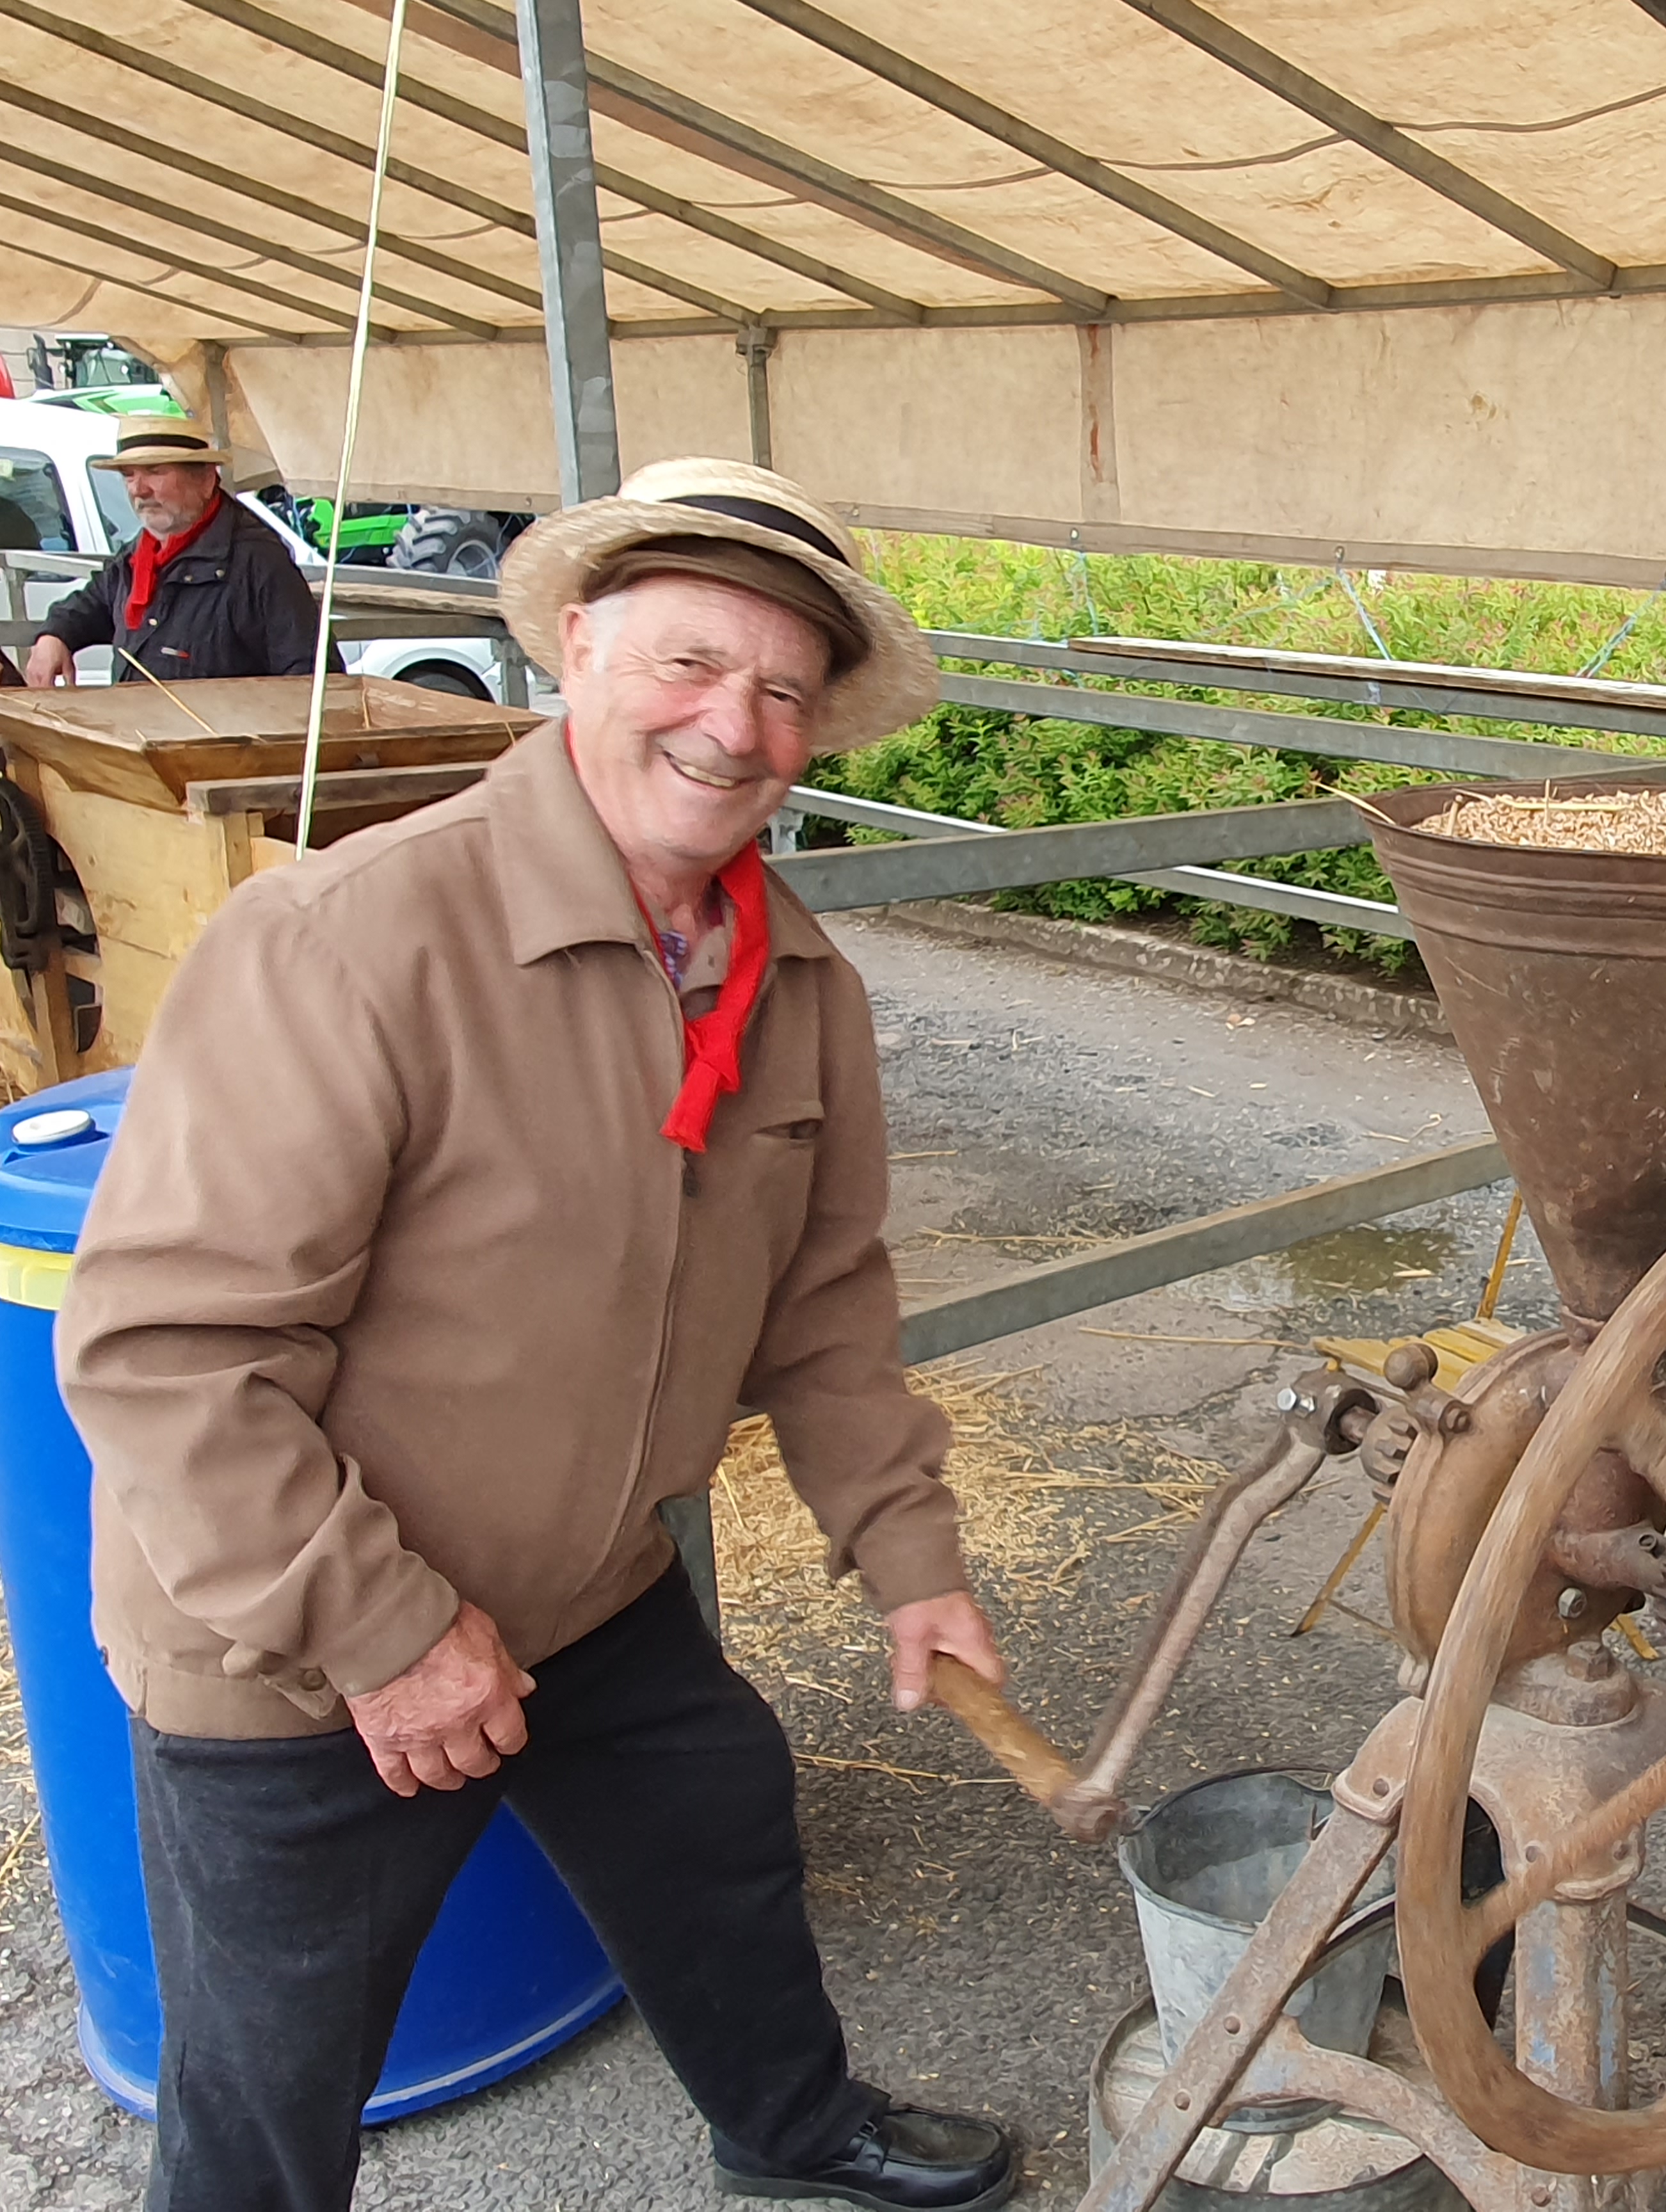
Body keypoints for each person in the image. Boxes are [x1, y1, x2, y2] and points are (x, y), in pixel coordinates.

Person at [58, 457, 1016, 2212]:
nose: (732, 726)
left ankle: (791, 2130)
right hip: (304, 1643)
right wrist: (387, 1638)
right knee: (270, 2083)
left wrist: (912, 1560)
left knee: (719, 1845)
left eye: (783, 690)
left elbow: (825, 1315)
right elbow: (163, 1352)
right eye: (686, 664)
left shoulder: (794, 986)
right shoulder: (346, 938)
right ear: (577, 648)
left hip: (592, 1593)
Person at [22, 412, 320, 686]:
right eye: (129, 475)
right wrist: (55, 634)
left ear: (205, 480)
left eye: (154, 471)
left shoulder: (258, 562)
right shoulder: (140, 554)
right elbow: (93, 603)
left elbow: (311, 678)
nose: (138, 489)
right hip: (137, 734)